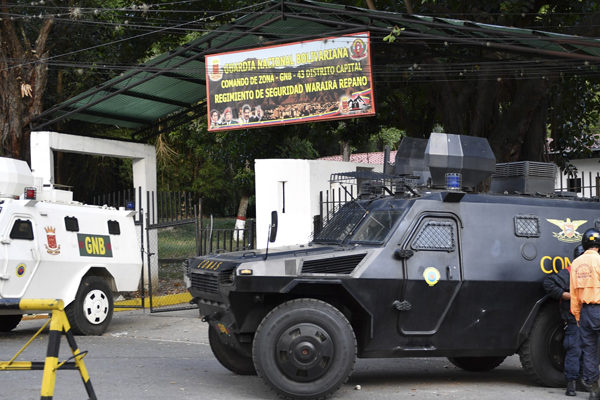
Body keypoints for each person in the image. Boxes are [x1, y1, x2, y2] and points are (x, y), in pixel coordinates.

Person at [544, 244, 584, 396]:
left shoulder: (572, 271)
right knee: (577, 350)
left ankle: (576, 384)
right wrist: (568, 295)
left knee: (578, 350)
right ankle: (575, 384)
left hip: (582, 318)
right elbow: (548, 284)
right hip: (578, 318)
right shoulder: (570, 272)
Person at [570, 229, 600, 400]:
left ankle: (594, 391)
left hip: (586, 312)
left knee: (589, 351)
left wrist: (577, 315)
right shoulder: (599, 261)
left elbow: (574, 293)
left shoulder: (576, 264)